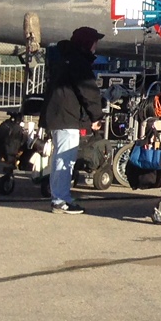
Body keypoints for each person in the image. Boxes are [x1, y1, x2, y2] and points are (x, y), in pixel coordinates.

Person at [41, 26, 103, 215]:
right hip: (67, 117)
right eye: (94, 42)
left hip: (58, 114)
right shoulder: (78, 62)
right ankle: (60, 200)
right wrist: (96, 116)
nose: (95, 46)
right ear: (87, 43)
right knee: (64, 158)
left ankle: (59, 196)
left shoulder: (63, 57)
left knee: (60, 158)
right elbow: (88, 91)